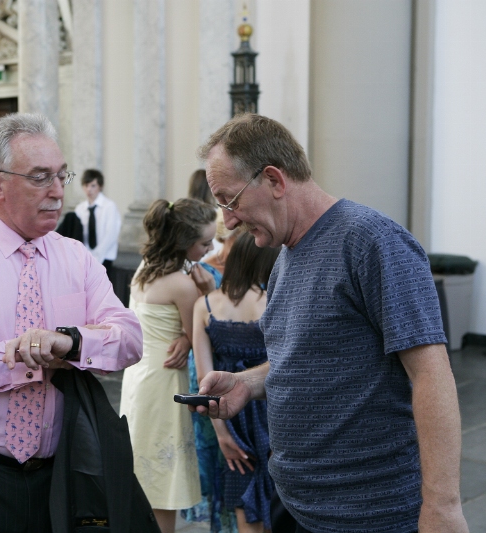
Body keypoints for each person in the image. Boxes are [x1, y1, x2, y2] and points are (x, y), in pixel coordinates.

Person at [192, 113, 469, 533]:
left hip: (368, 516)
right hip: (297, 508)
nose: (228, 221)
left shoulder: (371, 241)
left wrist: (442, 508)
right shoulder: (285, 257)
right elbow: (310, 356)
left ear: (274, 180)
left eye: (230, 201)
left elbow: (431, 375)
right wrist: (247, 383)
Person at [0, 113, 144, 532]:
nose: (57, 191)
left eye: (61, 176)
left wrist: (72, 342)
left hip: (62, 476)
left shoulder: (76, 257)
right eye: (40, 177)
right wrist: (15, 356)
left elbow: (130, 339)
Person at [119, 198, 217, 533]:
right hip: (164, 383)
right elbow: (205, 336)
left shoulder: (146, 267)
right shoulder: (183, 285)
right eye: (205, 243)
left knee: (144, 471)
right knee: (162, 483)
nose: (210, 248)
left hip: (139, 376)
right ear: (184, 243)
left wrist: (185, 338)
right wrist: (209, 295)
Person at [193, 231, 279, 533]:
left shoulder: (204, 305)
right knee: (280, 497)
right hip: (271, 408)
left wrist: (222, 434)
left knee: (241, 485)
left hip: (230, 414)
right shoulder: (274, 301)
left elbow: (204, 380)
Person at [181, 211, 244, 533]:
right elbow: (187, 317)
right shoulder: (203, 271)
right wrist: (184, 337)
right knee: (215, 456)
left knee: (239, 467)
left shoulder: (258, 270)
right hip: (207, 370)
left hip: (241, 372)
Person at [74, 169, 122, 277]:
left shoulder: (109, 206)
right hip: (85, 259)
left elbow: (111, 234)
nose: (89, 189)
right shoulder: (80, 208)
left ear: (100, 186)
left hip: (105, 257)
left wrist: (96, 257)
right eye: (86, 185)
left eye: (93, 186)